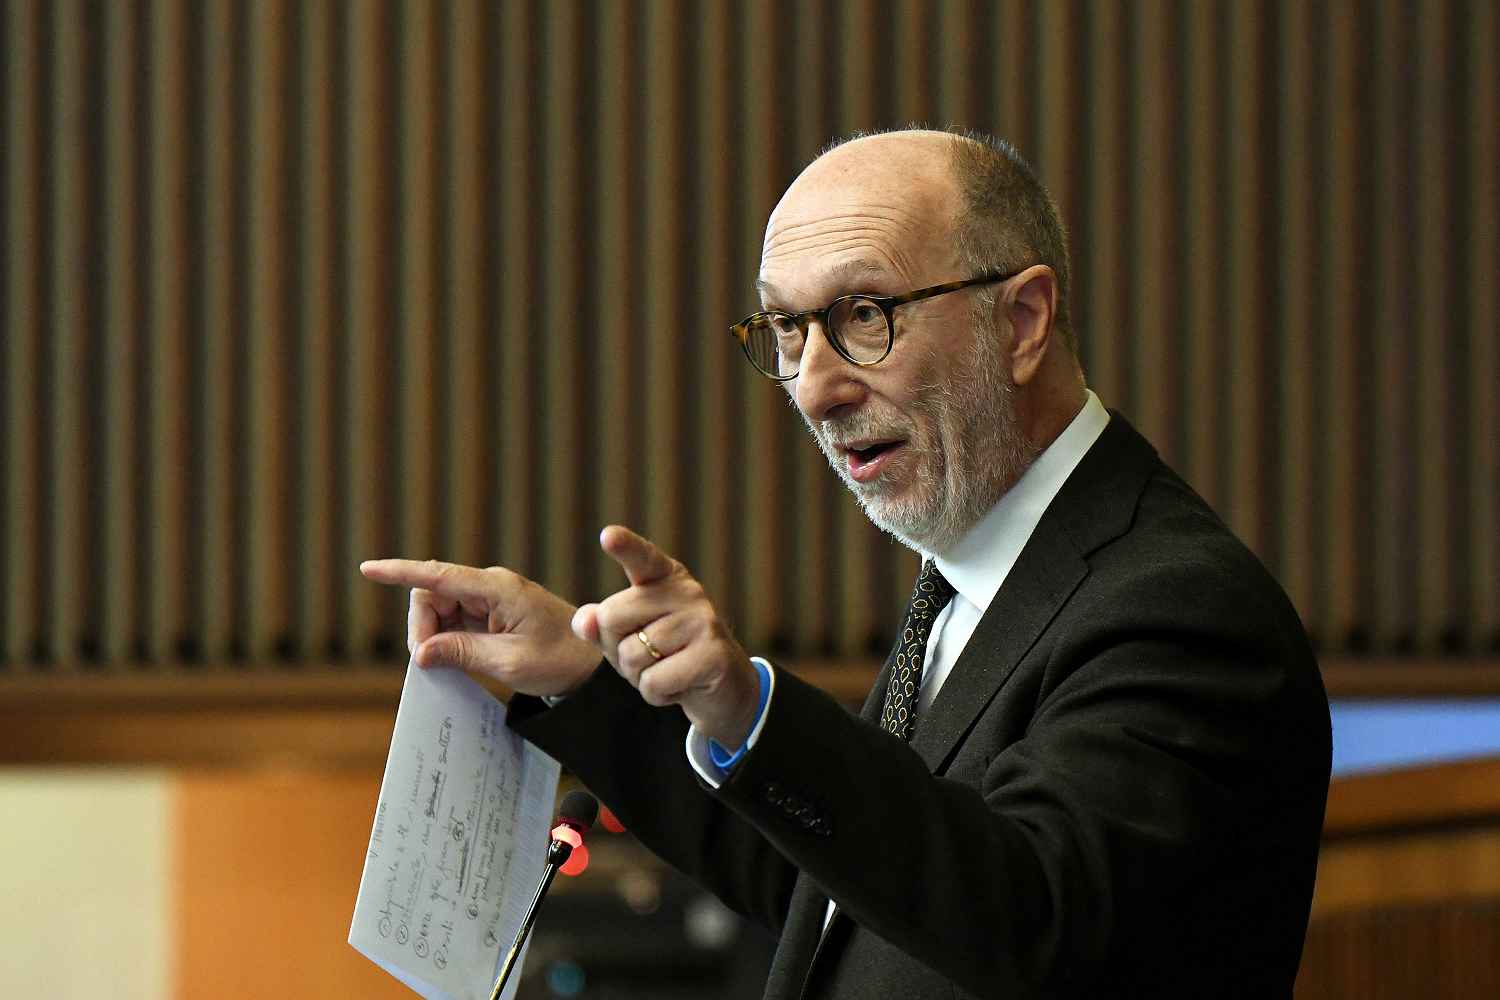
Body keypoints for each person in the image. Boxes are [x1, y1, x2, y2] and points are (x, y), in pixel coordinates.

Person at [362, 129, 1331, 999]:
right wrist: (583, 678)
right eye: (789, 330)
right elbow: (836, 890)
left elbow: (1032, 916)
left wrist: (754, 707)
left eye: (865, 314)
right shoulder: (977, 577)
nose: (816, 387)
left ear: (1024, 321)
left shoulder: (1179, 608)